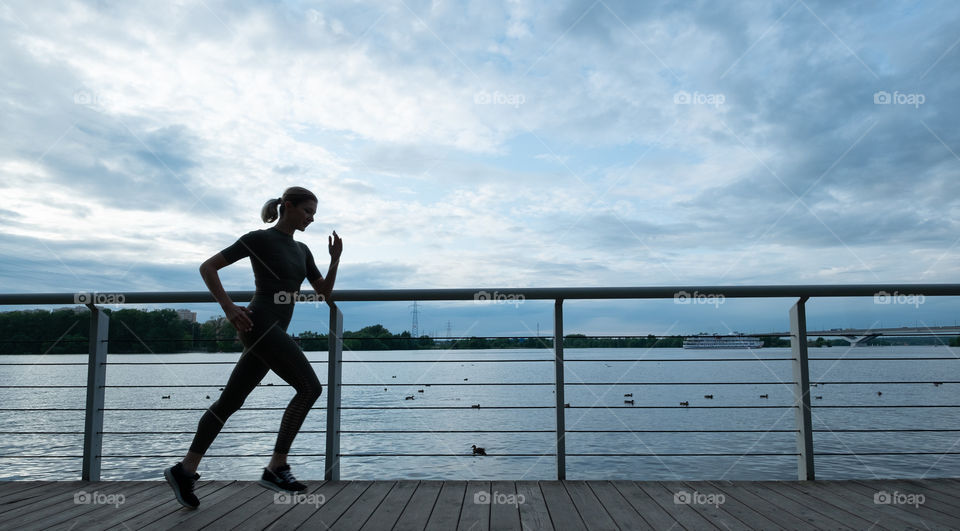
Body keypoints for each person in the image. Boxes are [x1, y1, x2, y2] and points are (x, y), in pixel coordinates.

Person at [164, 186, 342, 510]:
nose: (311, 219)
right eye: (307, 211)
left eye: (314, 214)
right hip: (257, 324)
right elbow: (208, 267)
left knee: (230, 401)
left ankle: (184, 469)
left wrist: (335, 260)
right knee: (309, 388)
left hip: (273, 330)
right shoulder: (258, 239)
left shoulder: (302, 250)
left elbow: (324, 293)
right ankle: (277, 466)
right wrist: (228, 307)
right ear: (287, 206)